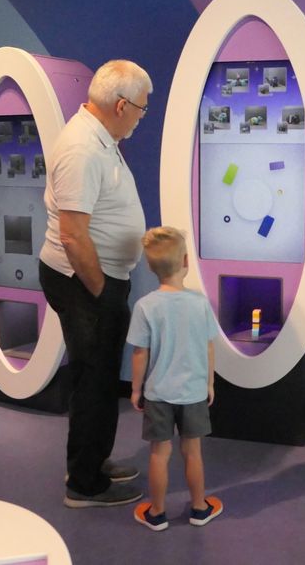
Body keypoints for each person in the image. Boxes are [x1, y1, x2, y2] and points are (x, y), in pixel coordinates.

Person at [38, 59, 152, 508]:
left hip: (96, 278)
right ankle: (84, 485)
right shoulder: (83, 148)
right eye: (142, 108)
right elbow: (72, 235)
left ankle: (89, 462)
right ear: (122, 105)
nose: (142, 117)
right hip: (84, 281)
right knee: (96, 381)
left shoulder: (100, 137)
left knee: (97, 378)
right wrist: (103, 294)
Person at [128, 226, 223, 531]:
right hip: (193, 393)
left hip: (158, 394)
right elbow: (209, 347)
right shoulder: (199, 304)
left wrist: (135, 389)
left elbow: (140, 354)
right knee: (192, 452)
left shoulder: (145, 306)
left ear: (151, 267)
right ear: (185, 262)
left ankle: (156, 513)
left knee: (159, 454)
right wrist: (209, 383)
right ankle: (199, 508)